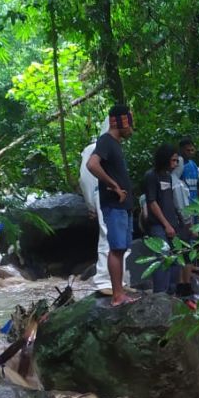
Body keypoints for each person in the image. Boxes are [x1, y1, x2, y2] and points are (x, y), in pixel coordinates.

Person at [87, 105, 136, 307]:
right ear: (122, 121)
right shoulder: (106, 140)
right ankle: (117, 295)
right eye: (130, 123)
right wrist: (113, 185)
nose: (132, 128)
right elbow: (92, 164)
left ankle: (120, 291)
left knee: (121, 247)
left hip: (123, 206)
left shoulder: (115, 143)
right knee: (116, 248)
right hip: (114, 206)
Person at [144, 144, 194, 299]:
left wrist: (182, 224)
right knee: (162, 257)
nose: (176, 164)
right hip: (159, 225)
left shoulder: (168, 177)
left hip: (173, 224)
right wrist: (166, 224)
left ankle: (171, 293)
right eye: (173, 160)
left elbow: (172, 201)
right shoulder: (151, 176)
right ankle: (160, 294)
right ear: (164, 159)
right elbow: (152, 202)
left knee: (175, 258)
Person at [79, 119, 115, 294]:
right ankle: (103, 280)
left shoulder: (114, 147)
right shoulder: (93, 149)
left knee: (118, 238)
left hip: (113, 196)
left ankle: (118, 280)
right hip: (100, 193)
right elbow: (85, 179)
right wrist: (90, 204)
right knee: (107, 235)